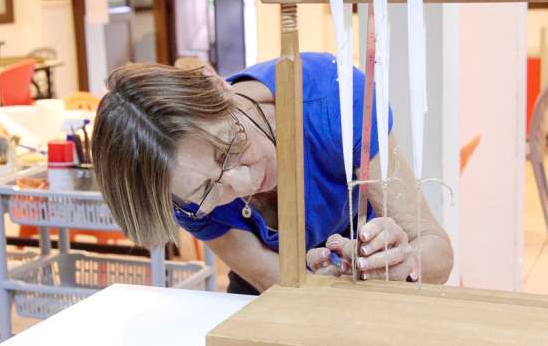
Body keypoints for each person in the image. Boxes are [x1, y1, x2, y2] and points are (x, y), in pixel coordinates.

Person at [92, 52, 453, 295]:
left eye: (228, 148)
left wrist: (401, 265)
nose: (243, 182)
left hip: (378, 287)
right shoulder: (179, 191)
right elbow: (277, 286)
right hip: (275, 296)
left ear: (217, 85)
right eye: (208, 190)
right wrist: (315, 279)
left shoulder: (336, 102)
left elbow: (437, 251)